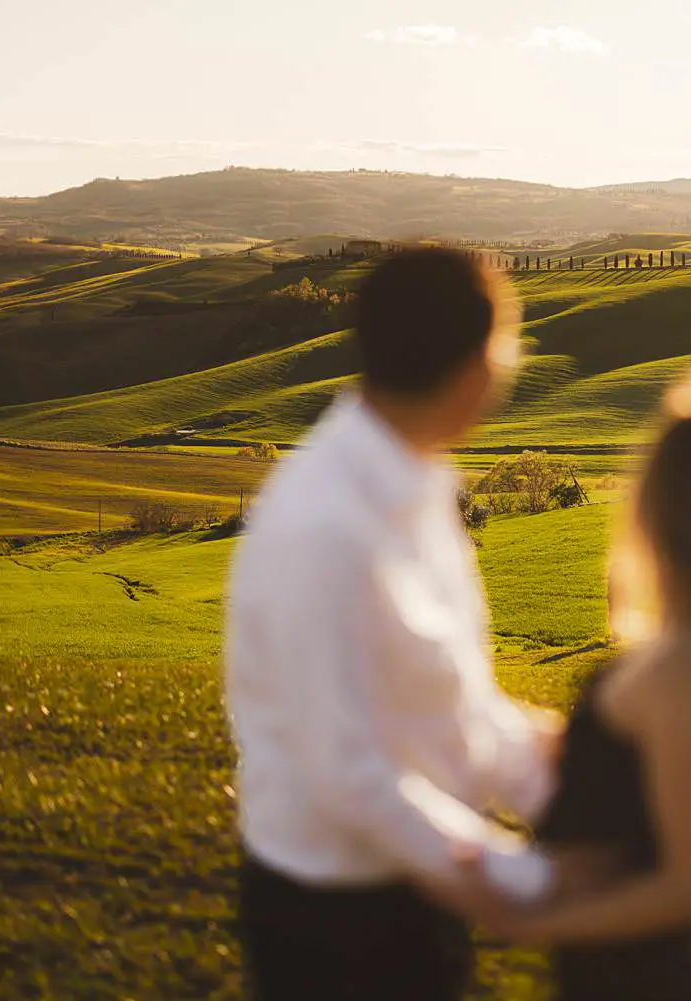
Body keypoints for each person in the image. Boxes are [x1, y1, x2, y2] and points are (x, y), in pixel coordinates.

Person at [436, 368, 691, 1000]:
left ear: (660, 507)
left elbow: (688, 884)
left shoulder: (684, 667)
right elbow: (630, 780)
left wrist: (536, 920)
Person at [224, 248, 563, 1001]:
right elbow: (345, 770)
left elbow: (452, 703)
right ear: (480, 364)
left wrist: (560, 796)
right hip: (334, 926)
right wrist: (524, 874)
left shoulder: (420, 487)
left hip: (420, 883)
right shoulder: (327, 523)